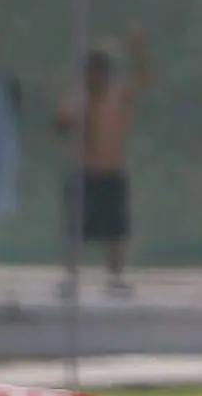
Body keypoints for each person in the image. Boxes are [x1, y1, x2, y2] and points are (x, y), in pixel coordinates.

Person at [53, 28, 149, 295]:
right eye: (90, 71)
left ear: (106, 73)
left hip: (112, 171)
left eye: (98, 70)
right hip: (84, 172)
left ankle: (115, 278)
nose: (94, 76)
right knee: (76, 228)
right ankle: (71, 276)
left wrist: (137, 50)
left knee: (116, 230)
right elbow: (59, 124)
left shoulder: (118, 95)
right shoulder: (78, 98)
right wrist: (67, 122)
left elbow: (145, 80)